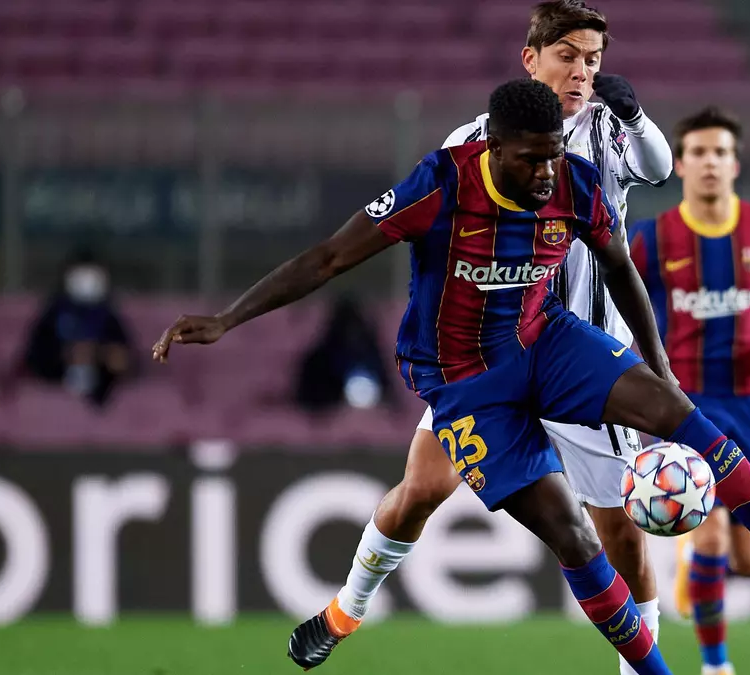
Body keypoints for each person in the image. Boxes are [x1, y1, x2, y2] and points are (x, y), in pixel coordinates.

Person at [153, 79, 750, 675]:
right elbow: (330, 257)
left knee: (675, 418)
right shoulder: (442, 183)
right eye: (531, 159)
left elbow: (618, 267)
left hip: (545, 340)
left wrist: (659, 366)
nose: (547, 172)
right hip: (465, 382)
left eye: (554, 155)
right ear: (494, 146)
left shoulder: (573, 179)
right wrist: (227, 318)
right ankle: (346, 610)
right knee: (561, 533)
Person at [290, 3, 675, 673]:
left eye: (592, 60)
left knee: (620, 534)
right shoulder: (470, 141)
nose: (582, 72)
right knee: (420, 490)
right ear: (531, 60)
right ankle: (346, 609)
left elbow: (661, 169)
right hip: (489, 357)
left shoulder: (610, 131)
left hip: (584, 358)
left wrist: (637, 116)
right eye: (568, 57)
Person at [628, 107, 750, 675]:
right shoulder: (651, 239)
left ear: (735, 163)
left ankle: (695, 566)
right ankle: (716, 665)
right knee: (710, 538)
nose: (710, 162)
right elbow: (624, 309)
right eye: (699, 152)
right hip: (688, 408)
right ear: (679, 165)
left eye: (720, 152)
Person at [20, 247, 133, 408]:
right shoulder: (53, 314)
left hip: (101, 397)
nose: (86, 280)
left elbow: (126, 358)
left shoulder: (108, 316)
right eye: (81, 272)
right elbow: (34, 357)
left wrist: (100, 355)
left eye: (92, 273)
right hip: (53, 400)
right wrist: (67, 355)